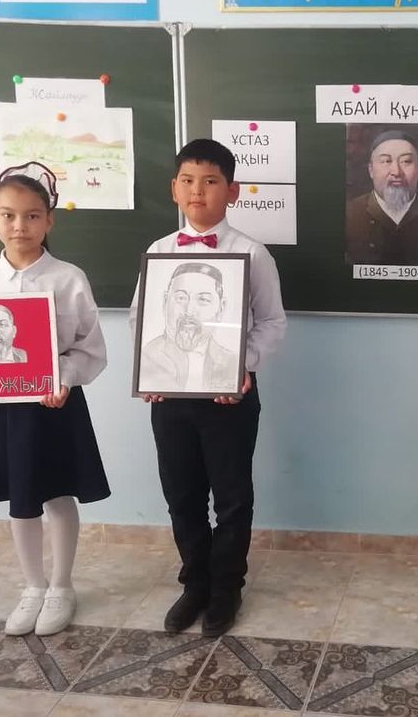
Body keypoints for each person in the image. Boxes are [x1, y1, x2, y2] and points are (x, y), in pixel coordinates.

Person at [0, 164, 110, 637]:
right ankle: (33, 586)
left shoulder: (69, 279)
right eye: (9, 215)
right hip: (4, 410)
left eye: (32, 216)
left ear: (49, 220)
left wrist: (63, 378)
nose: (20, 226)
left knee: (58, 493)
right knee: (20, 498)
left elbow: (91, 349)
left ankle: (61, 586)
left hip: (55, 407)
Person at [130, 138, 286, 637]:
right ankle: (194, 584)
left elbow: (273, 323)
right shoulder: (158, 252)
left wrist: (242, 366)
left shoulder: (253, 253)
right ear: (174, 189)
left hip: (230, 398)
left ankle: (226, 589)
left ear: (232, 191)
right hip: (170, 399)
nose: (199, 190)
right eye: (189, 180)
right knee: (182, 495)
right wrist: (148, 371)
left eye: (211, 181)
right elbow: (140, 318)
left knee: (232, 498)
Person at [344, 129, 418, 265]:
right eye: (386, 161)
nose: (396, 172)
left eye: (406, 161)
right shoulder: (349, 214)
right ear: (371, 170)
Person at [138, 262, 239, 393]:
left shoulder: (232, 362)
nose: (189, 311)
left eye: (203, 300)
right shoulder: (147, 357)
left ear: (221, 308)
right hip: (166, 403)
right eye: (181, 298)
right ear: (165, 302)